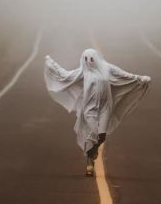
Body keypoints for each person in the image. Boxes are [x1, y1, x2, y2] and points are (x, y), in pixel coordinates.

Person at [44, 48, 151, 176]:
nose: (88, 61)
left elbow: (123, 75)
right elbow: (65, 75)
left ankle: (92, 150)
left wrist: (140, 79)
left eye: (91, 58)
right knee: (92, 133)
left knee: (101, 136)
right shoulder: (83, 72)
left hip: (105, 107)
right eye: (85, 59)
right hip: (89, 109)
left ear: (95, 58)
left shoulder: (107, 68)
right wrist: (52, 64)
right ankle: (89, 161)